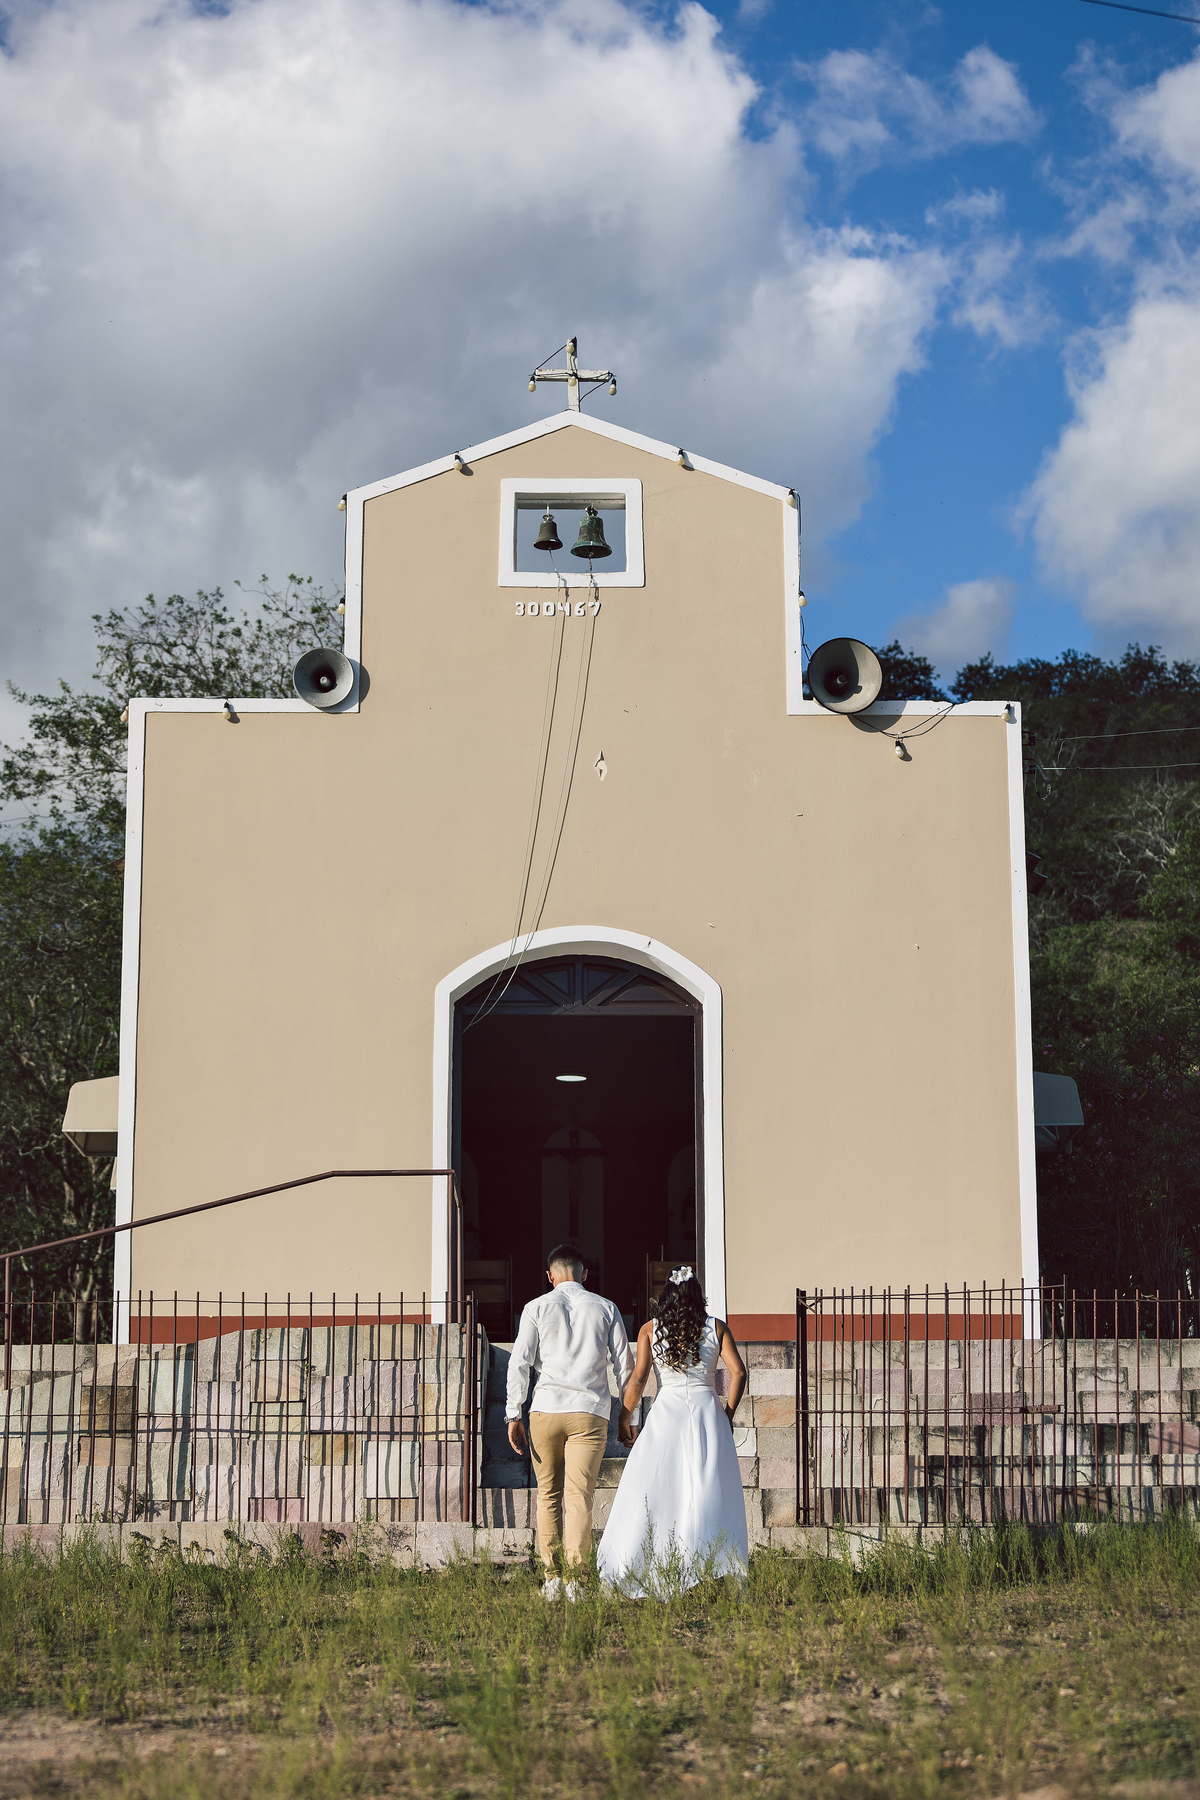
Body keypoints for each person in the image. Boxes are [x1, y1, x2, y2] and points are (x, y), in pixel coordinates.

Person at [596, 1265, 749, 1596]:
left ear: (665, 1297)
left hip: (667, 1413)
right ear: (698, 1296)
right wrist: (728, 1412)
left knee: (655, 1486)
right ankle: (713, 1567)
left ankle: (646, 1562)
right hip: (708, 1414)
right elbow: (738, 1373)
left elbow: (638, 1378)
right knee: (708, 1487)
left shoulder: (651, 1329)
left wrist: (625, 1416)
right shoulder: (716, 1327)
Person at [506, 1244, 634, 1601]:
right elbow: (625, 1367)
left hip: (545, 1409)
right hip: (589, 1411)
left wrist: (513, 1412)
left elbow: (519, 1363)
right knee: (580, 1498)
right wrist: (628, 1416)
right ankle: (577, 1582)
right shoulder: (607, 1307)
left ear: (550, 1276)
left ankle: (551, 1579)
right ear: (585, 1274)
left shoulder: (535, 1307)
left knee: (547, 1495)